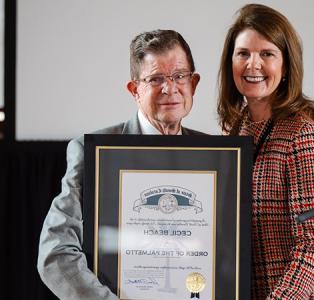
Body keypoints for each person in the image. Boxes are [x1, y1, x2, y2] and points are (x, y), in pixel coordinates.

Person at [37, 29, 203, 300]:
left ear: (193, 83)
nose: (169, 87)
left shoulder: (218, 157)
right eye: (156, 78)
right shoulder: (94, 153)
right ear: (135, 90)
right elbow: (55, 252)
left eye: (179, 76)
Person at [217, 4, 314, 299]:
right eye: (243, 53)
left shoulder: (304, 136)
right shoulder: (235, 131)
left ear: (286, 67)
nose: (252, 65)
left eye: (267, 54)